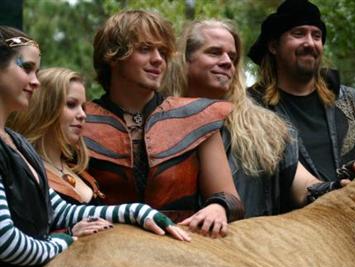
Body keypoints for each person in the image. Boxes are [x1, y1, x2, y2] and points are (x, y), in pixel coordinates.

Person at [0, 26, 189, 267]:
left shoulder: (18, 144)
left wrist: (137, 212)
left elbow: (59, 209)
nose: (35, 80)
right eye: (25, 68)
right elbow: (6, 242)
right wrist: (63, 242)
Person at [162, 19, 355, 217]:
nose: (227, 62)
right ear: (185, 60)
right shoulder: (154, 121)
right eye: (214, 53)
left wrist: (340, 186)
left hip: (247, 249)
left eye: (233, 57)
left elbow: (305, 189)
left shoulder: (266, 128)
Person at [83, 10, 243, 236]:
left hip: (182, 248)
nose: (158, 59)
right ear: (114, 56)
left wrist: (219, 207)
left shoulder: (196, 115)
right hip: (104, 252)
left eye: (163, 51)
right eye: (145, 49)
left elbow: (231, 199)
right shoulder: (80, 120)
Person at [248, 0, 355, 183]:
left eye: (316, 36)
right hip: (285, 212)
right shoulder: (251, 107)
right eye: (298, 34)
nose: (310, 43)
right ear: (274, 46)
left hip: (353, 211)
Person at [9, 67, 112, 237]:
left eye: (83, 107)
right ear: (44, 108)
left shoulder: (83, 174)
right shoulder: (23, 172)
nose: (82, 115)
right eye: (71, 104)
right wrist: (68, 233)